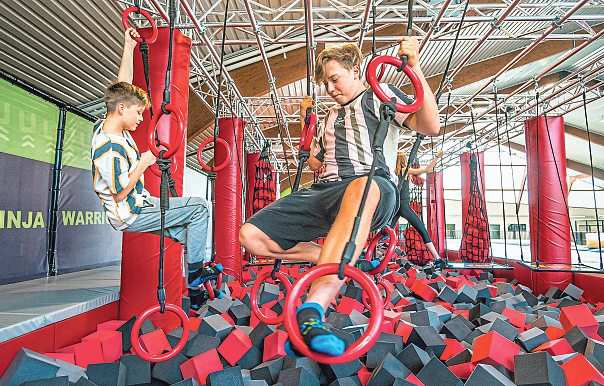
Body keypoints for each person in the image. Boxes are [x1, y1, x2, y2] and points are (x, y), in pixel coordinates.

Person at [239, 36, 439, 356]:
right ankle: (326, 256)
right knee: (249, 235)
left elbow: (430, 125)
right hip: (326, 189)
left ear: (356, 70)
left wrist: (414, 69)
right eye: (326, 83)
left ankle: (312, 310)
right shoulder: (329, 117)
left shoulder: (380, 95)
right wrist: (305, 131)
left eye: (335, 79)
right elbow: (318, 161)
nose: (331, 88)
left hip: (371, 185)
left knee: (360, 189)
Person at [90, 28, 220, 299]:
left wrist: (128, 46)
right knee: (199, 209)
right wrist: (144, 162)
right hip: (131, 213)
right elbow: (119, 192)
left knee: (191, 230)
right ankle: (195, 278)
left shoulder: (109, 124)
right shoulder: (107, 148)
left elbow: (121, 89)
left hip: (143, 203)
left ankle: (199, 280)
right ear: (123, 110)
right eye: (138, 113)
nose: (140, 119)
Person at [394, 149, 445, 266]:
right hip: (404, 207)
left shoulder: (395, 173)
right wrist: (437, 156)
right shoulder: (404, 170)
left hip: (397, 206)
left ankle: (375, 254)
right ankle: (437, 258)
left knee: (387, 231)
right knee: (423, 231)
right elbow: (427, 169)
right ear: (403, 161)